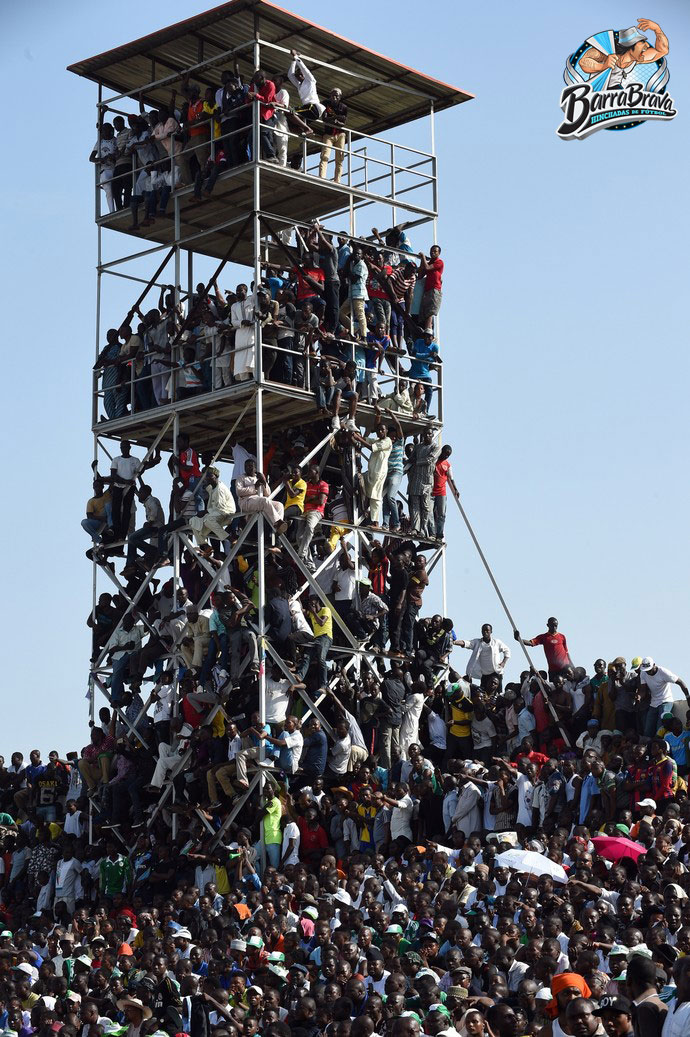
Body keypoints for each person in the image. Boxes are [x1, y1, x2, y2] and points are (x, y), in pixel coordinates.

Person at [236, 459, 285, 527]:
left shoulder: (259, 477)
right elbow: (239, 492)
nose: (248, 468)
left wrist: (264, 482)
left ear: (255, 468)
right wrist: (254, 487)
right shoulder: (241, 478)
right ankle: (278, 523)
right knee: (264, 500)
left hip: (260, 501)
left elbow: (268, 494)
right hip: (246, 501)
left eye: (250, 466)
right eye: (246, 466)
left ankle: (280, 526)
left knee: (279, 505)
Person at [319, 88, 348, 182]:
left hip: (340, 134)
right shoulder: (325, 104)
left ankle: (337, 180)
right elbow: (324, 119)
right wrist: (336, 119)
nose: (334, 97)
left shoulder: (343, 107)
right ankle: (322, 177)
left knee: (340, 158)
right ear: (330, 95)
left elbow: (343, 122)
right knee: (324, 156)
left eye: (337, 95)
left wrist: (335, 119)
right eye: (333, 95)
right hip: (329, 134)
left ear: (340, 97)